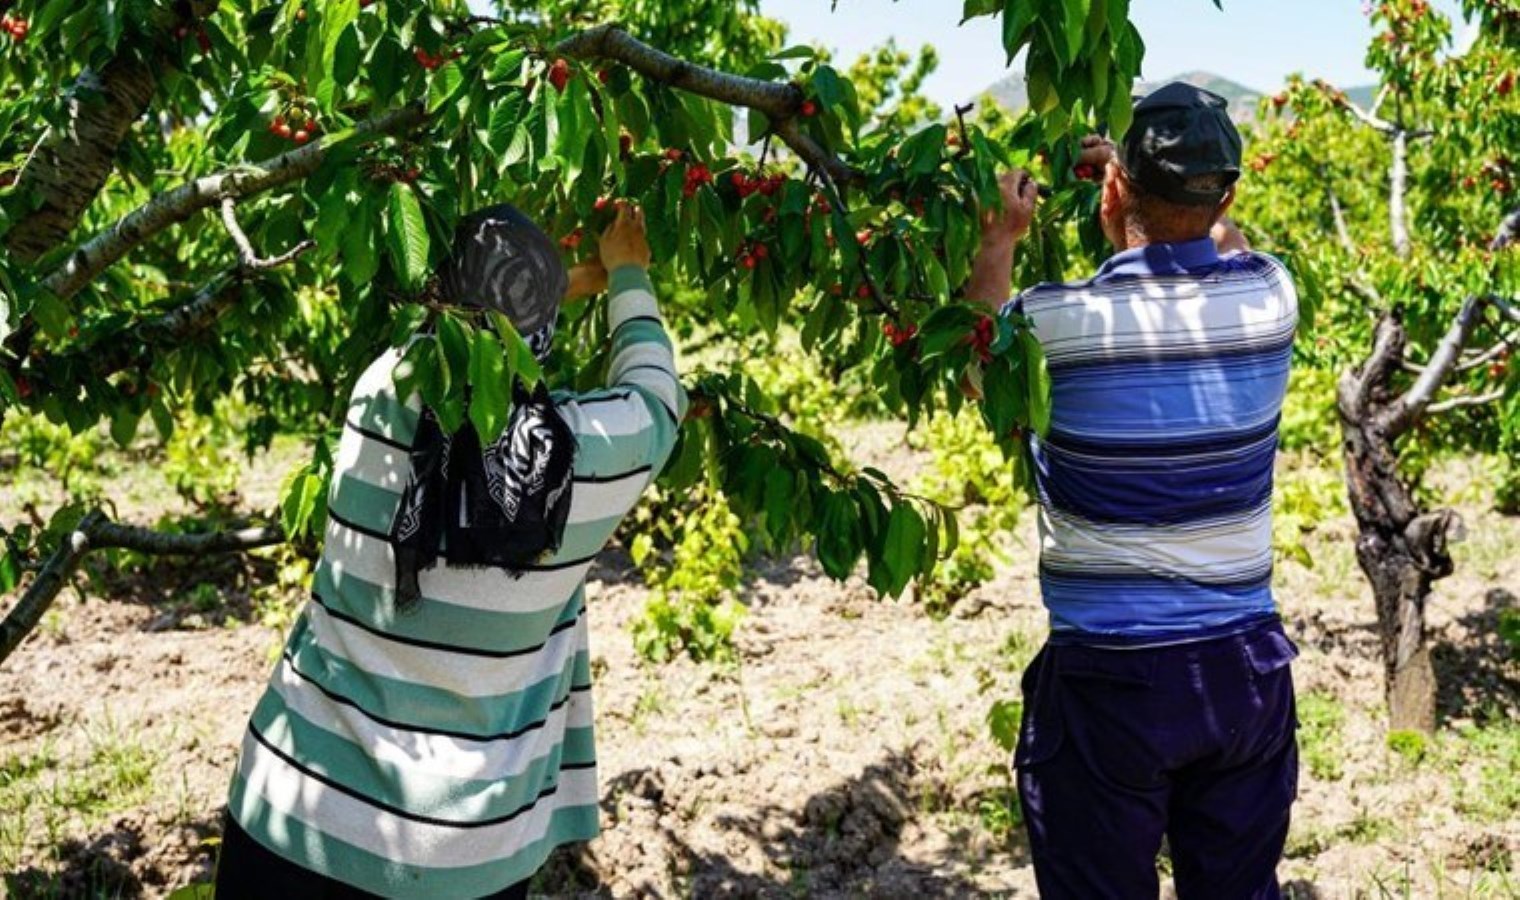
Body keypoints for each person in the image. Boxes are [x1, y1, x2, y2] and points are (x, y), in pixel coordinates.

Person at [215, 202, 685, 898]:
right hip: (460, 856)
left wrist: (541, 282)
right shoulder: (585, 463)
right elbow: (656, 397)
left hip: (290, 814)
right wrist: (627, 276)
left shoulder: (379, 394)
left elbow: (460, 352)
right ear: (543, 332)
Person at [967, 82, 1301, 899]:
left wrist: (999, 240)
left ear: (1116, 190)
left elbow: (975, 359)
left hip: (1109, 686)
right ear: (1227, 190)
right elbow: (1227, 234)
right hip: (1244, 673)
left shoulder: (1057, 321)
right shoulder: (1270, 298)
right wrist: (1155, 193)